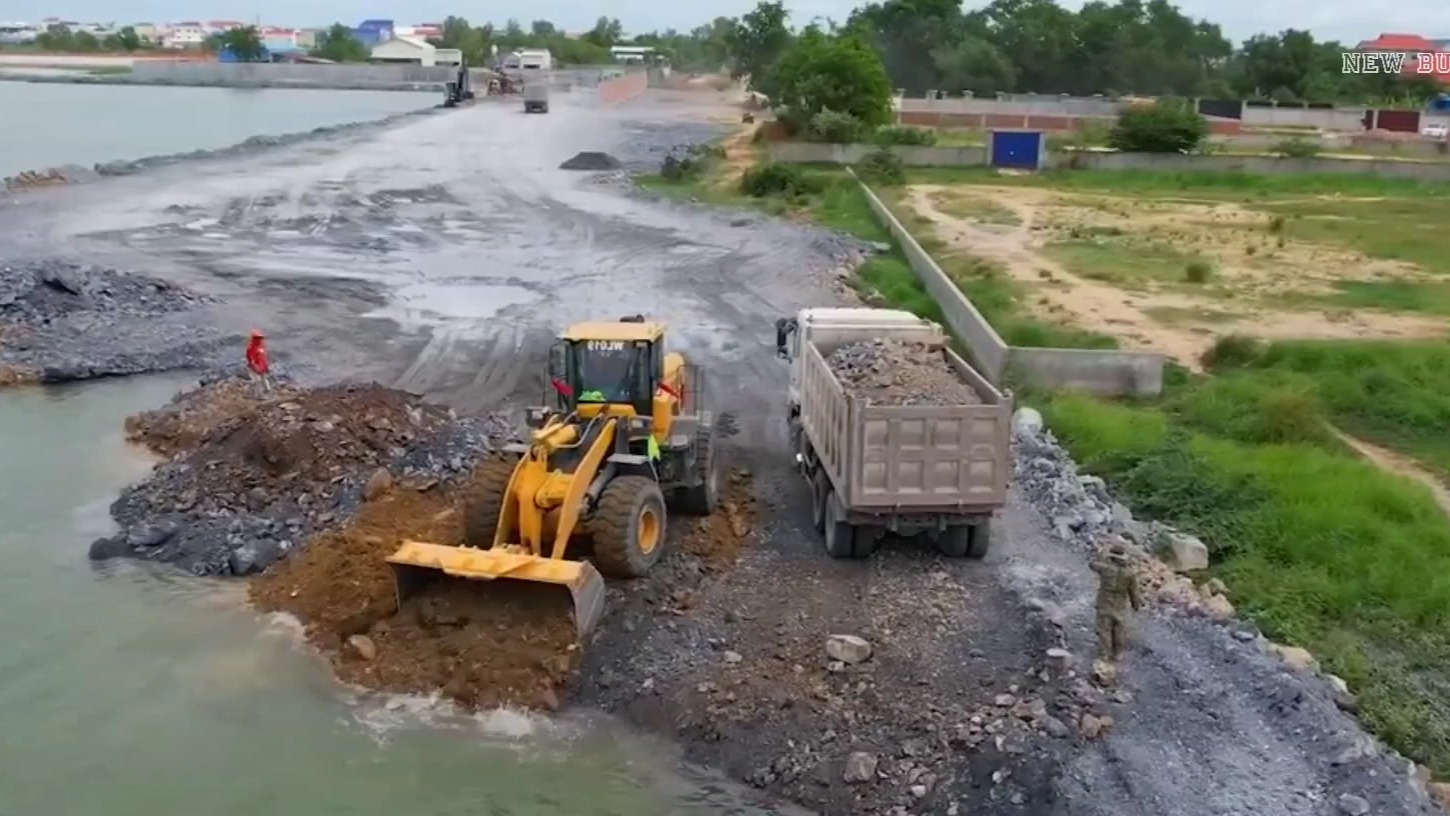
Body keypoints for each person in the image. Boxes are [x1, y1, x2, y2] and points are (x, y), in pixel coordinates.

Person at [1090, 541, 1142, 678]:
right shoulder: (1130, 573)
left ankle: (1104, 656)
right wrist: (1136, 605)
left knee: (1104, 631)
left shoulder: (1105, 568)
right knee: (1119, 629)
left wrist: (1102, 554)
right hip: (1119, 605)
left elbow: (1092, 564)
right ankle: (1118, 654)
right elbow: (1134, 592)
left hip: (1104, 602)